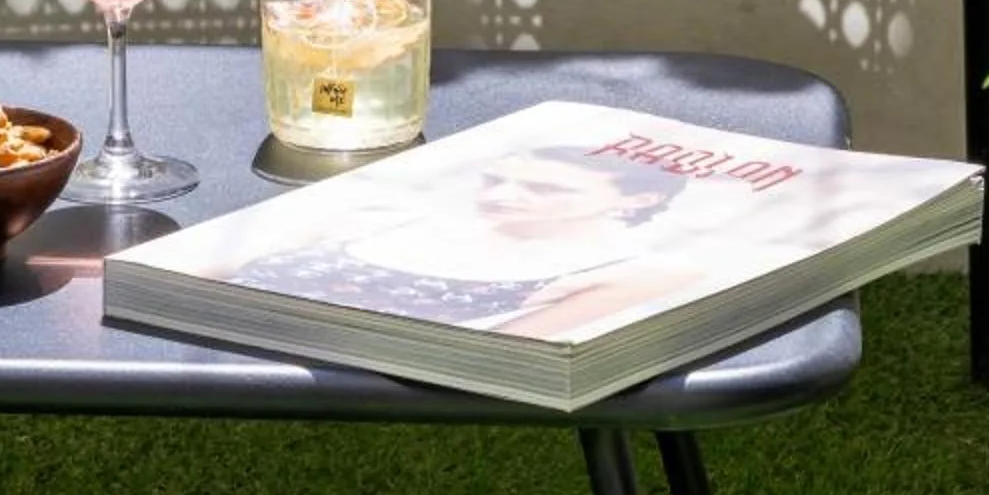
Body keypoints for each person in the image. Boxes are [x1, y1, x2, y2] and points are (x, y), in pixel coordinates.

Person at [185, 138, 718, 339]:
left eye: (543, 188)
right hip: (219, 325)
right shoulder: (378, 215)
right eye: (494, 180)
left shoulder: (622, 270)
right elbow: (202, 273)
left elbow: (506, 353)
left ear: (638, 199)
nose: (504, 195)